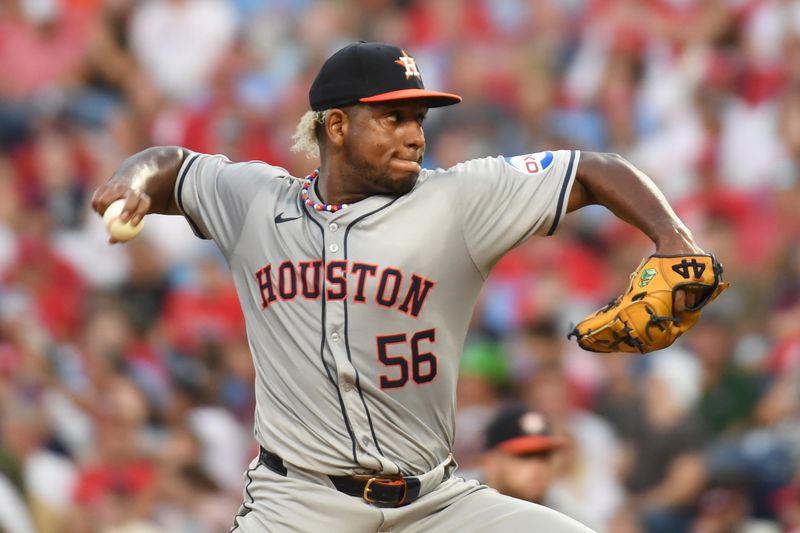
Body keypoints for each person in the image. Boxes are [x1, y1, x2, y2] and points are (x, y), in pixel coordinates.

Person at [91, 41, 710, 532]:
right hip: (300, 506)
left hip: (435, 504)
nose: (415, 134)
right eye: (393, 117)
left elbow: (594, 170)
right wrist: (133, 179)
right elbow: (171, 163)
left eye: (417, 117)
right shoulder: (255, 201)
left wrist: (675, 239)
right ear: (335, 126)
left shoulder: (458, 200)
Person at [482, 404, 595, 530]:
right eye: (525, 456)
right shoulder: (460, 503)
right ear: (491, 462)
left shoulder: (574, 522)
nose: (538, 467)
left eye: (544, 456)